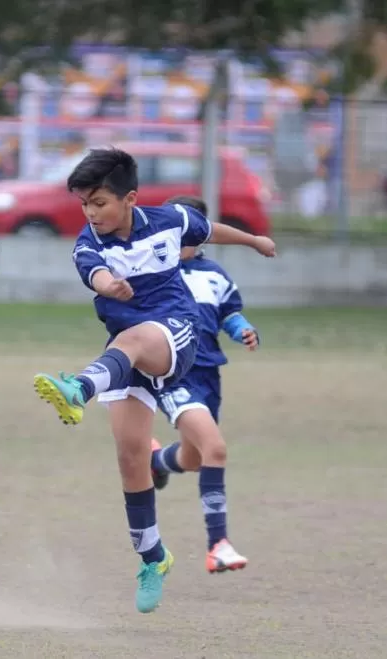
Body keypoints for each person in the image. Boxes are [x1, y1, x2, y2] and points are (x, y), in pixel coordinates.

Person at [32, 148, 275, 614]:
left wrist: (254, 240)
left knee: (138, 338)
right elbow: (95, 273)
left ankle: (79, 389)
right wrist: (107, 285)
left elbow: (208, 230)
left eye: (99, 202)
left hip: (175, 333)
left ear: (130, 198)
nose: (91, 213)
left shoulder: (170, 219)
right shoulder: (89, 243)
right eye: (85, 204)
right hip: (127, 355)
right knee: (130, 459)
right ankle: (153, 558)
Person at [146, 195, 259, 575]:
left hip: (210, 375)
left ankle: (154, 462)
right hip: (176, 375)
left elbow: (229, 313)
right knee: (216, 448)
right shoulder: (155, 274)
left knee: (195, 458)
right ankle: (218, 545)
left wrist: (242, 329)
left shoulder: (216, 275)